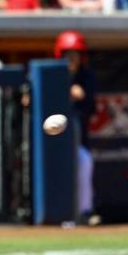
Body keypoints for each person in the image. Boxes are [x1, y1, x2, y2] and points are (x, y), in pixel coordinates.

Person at [54, 31, 99, 225]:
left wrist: (83, 95)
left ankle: (85, 211)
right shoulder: (50, 74)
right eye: (67, 54)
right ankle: (59, 213)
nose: (72, 58)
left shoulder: (86, 77)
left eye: (76, 54)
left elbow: (92, 107)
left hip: (77, 138)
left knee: (84, 161)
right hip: (51, 141)